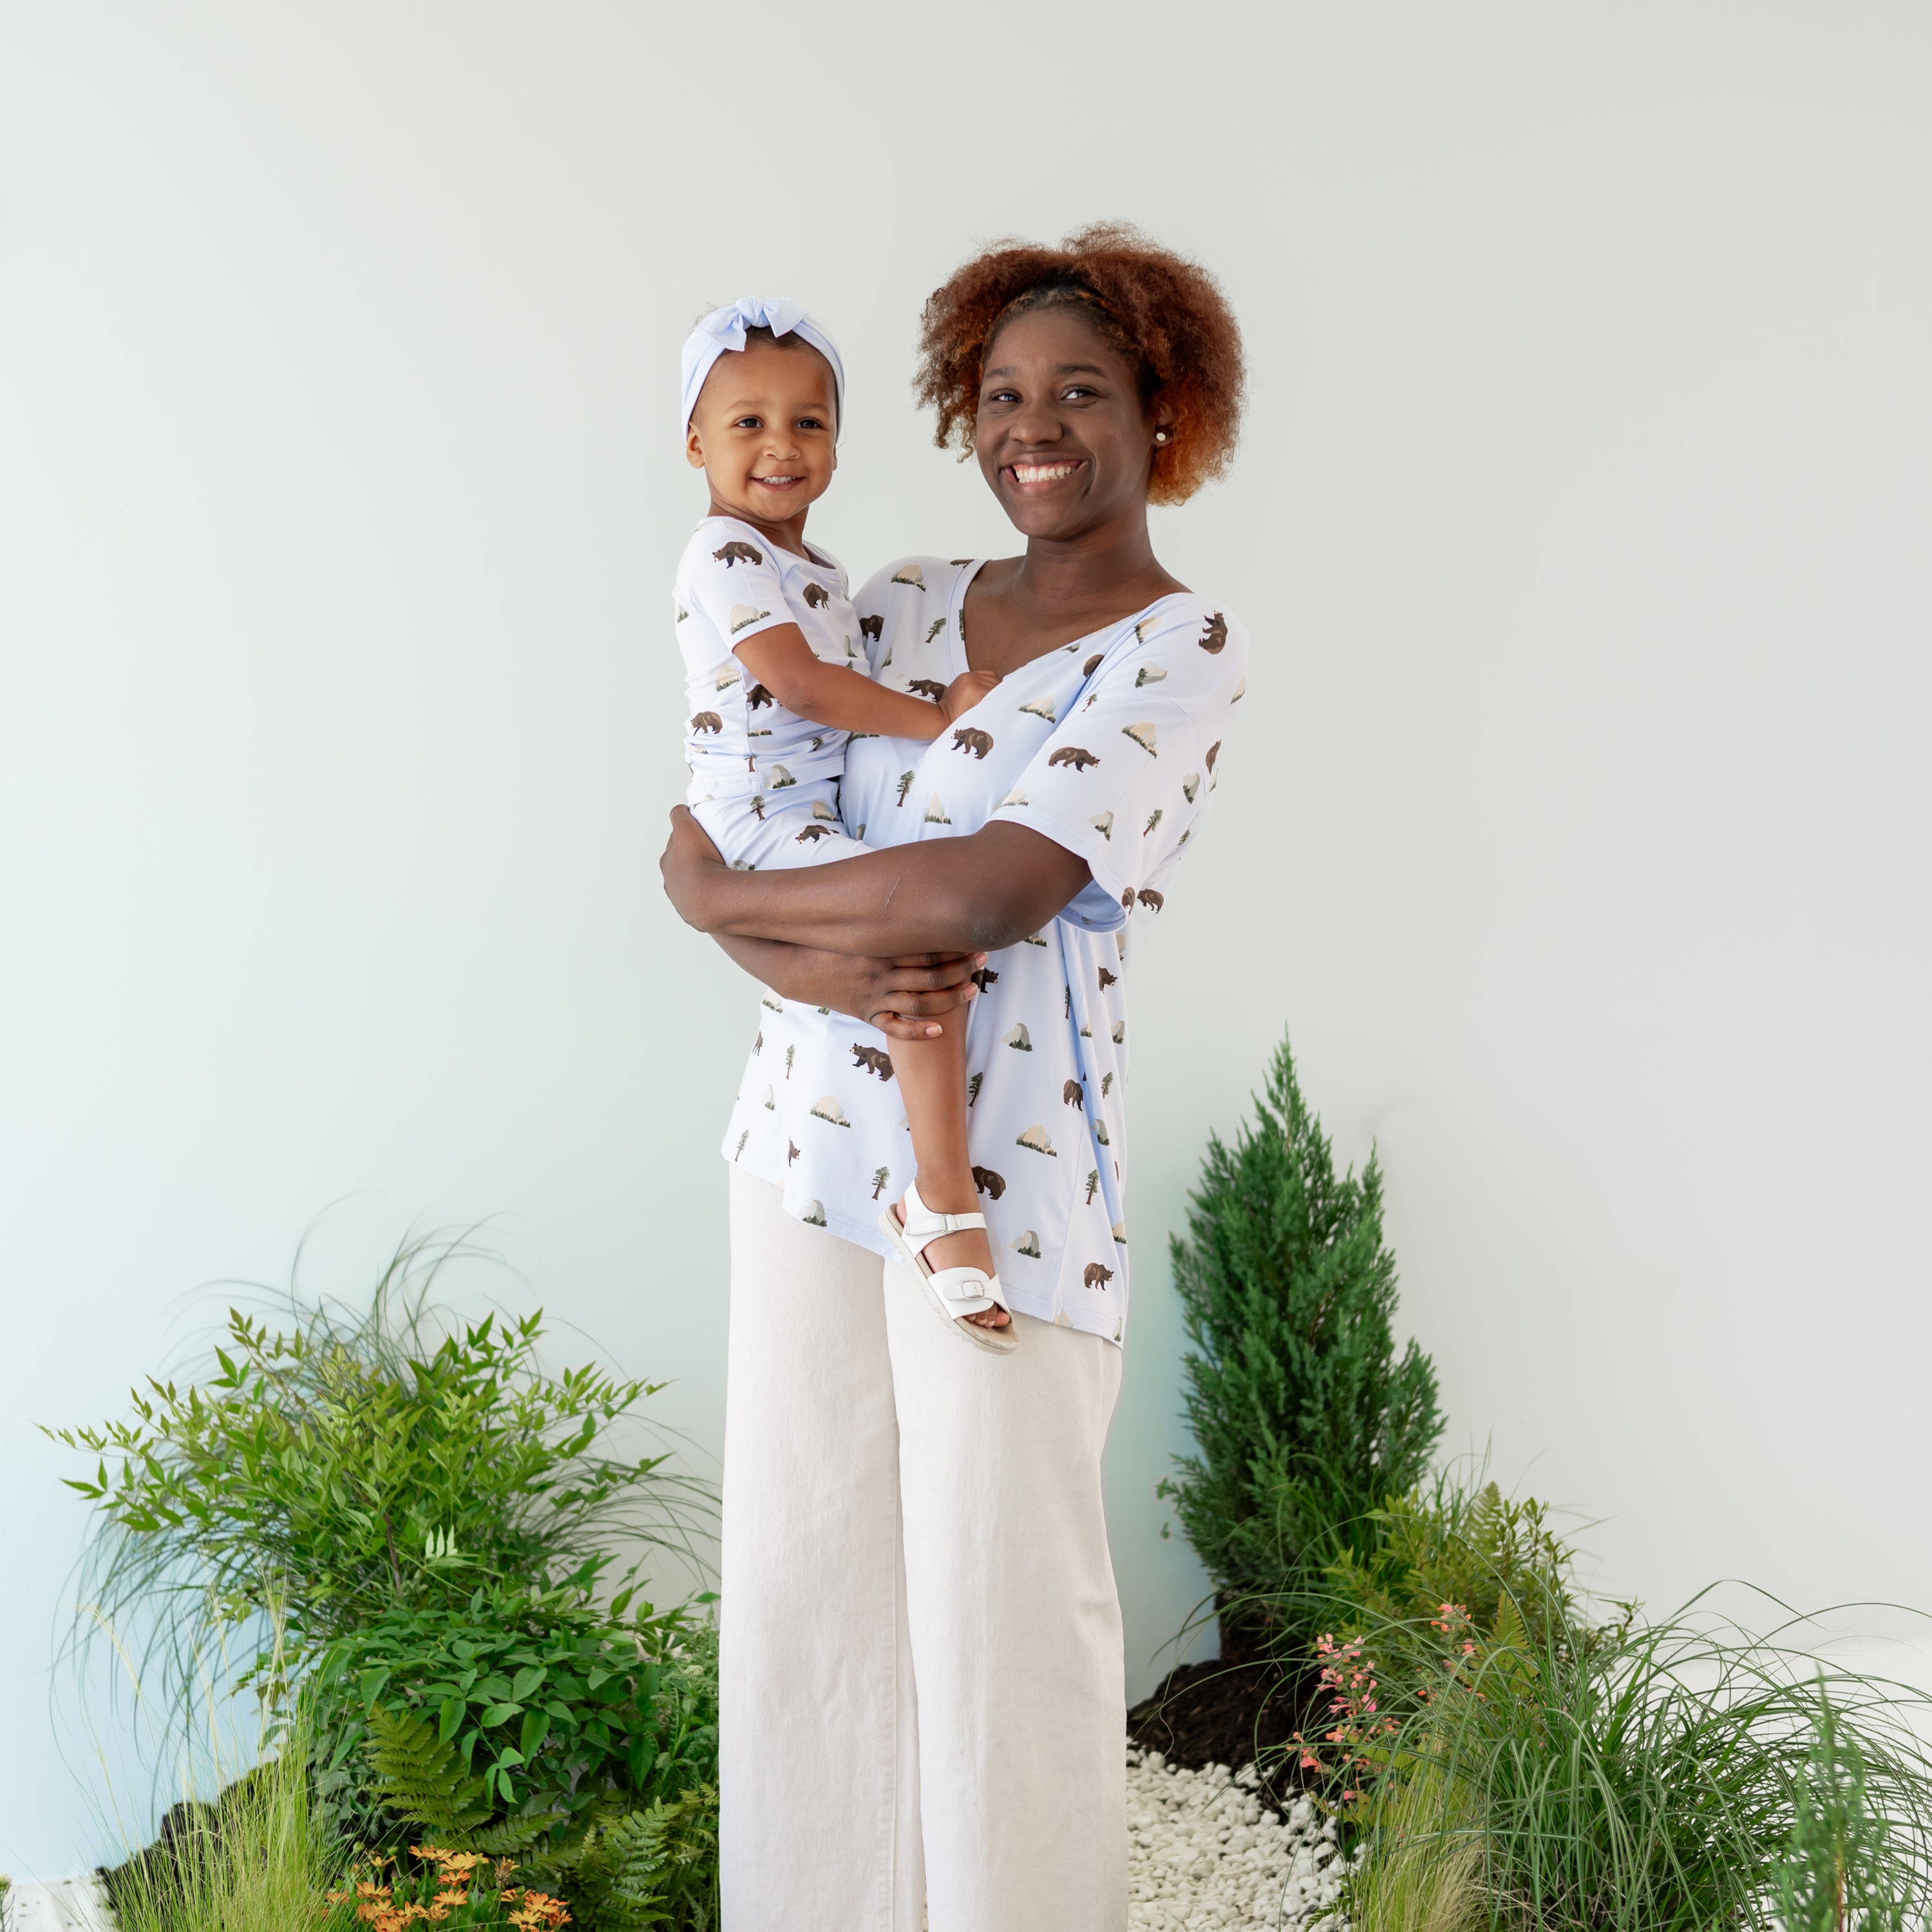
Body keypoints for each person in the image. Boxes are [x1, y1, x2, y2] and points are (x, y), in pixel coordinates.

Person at [661, 224, 1247, 1932]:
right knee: (808, 1587)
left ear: (1162, 411)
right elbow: (739, 796)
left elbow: (984, 891)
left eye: (1078, 389)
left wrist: (721, 902)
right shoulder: (895, 602)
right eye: (999, 393)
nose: (1032, 424)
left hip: (1009, 1181)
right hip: (802, 1145)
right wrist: (740, 908)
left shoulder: (1175, 647)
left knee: (1004, 1613)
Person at [676, 297, 1014, 1346]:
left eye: (809, 422)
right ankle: (944, 1200)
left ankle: (922, 1185)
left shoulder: (817, 573)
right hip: (759, 817)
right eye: (747, 424)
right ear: (695, 444)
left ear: (837, 444)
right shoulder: (727, 557)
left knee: (905, 959)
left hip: (802, 813)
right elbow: (804, 689)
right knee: (921, 937)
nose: (781, 445)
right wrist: (940, 720)